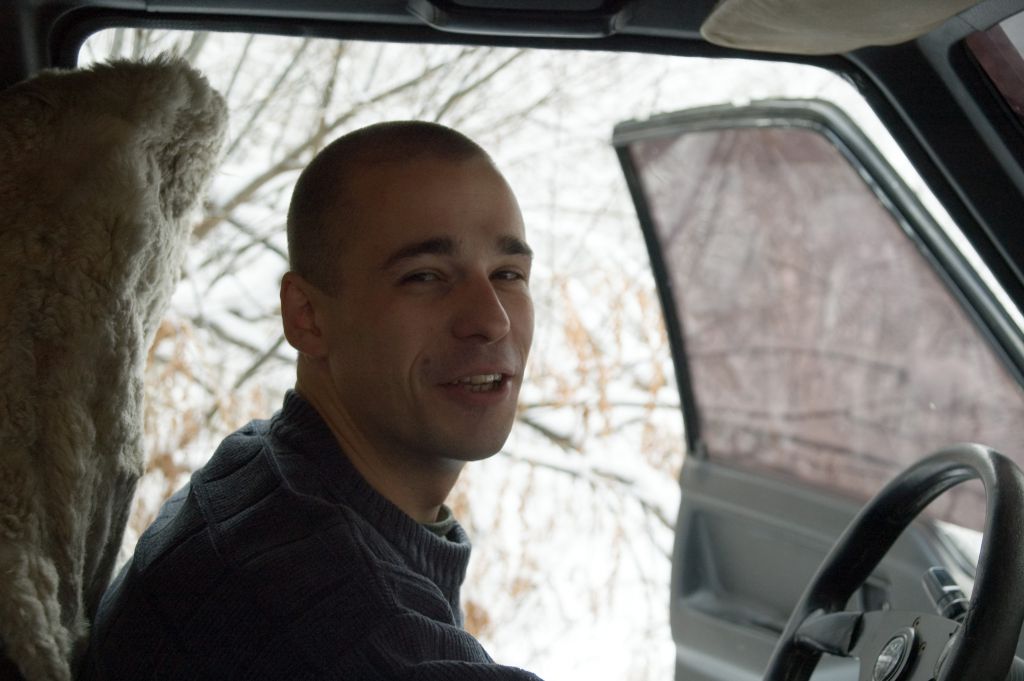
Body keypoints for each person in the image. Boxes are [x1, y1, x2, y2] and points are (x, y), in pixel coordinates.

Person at [81, 121, 543, 680]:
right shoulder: (360, 633)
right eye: (424, 276)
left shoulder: (258, 467)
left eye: (508, 274)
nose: (492, 319)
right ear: (307, 316)